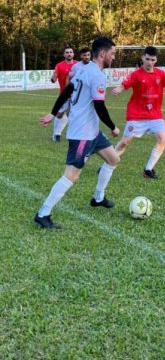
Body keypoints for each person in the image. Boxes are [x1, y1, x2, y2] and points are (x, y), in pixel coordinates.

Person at [34, 36, 120, 229]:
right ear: (103, 54)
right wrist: (113, 127)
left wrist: (53, 113)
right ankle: (43, 213)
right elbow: (99, 106)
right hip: (82, 133)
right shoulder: (96, 75)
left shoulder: (84, 70)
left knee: (113, 159)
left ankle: (98, 198)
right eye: (112, 54)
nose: (113, 58)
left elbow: (67, 90)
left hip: (92, 132)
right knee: (71, 176)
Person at [111, 45, 165, 179]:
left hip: (155, 115)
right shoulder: (136, 74)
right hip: (136, 115)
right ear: (143, 58)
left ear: (156, 60)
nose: (150, 62)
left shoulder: (161, 74)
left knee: (163, 139)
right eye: (147, 59)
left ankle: (148, 170)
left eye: (153, 60)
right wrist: (118, 89)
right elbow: (125, 84)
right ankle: (109, 161)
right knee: (125, 142)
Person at [50, 46, 77, 142]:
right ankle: (55, 134)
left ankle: (73, 135)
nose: (69, 54)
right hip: (64, 95)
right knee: (59, 114)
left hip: (76, 96)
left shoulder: (78, 64)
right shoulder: (59, 65)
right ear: (64, 54)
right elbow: (55, 76)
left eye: (70, 52)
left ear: (73, 54)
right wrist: (53, 78)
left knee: (74, 115)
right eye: (67, 52)